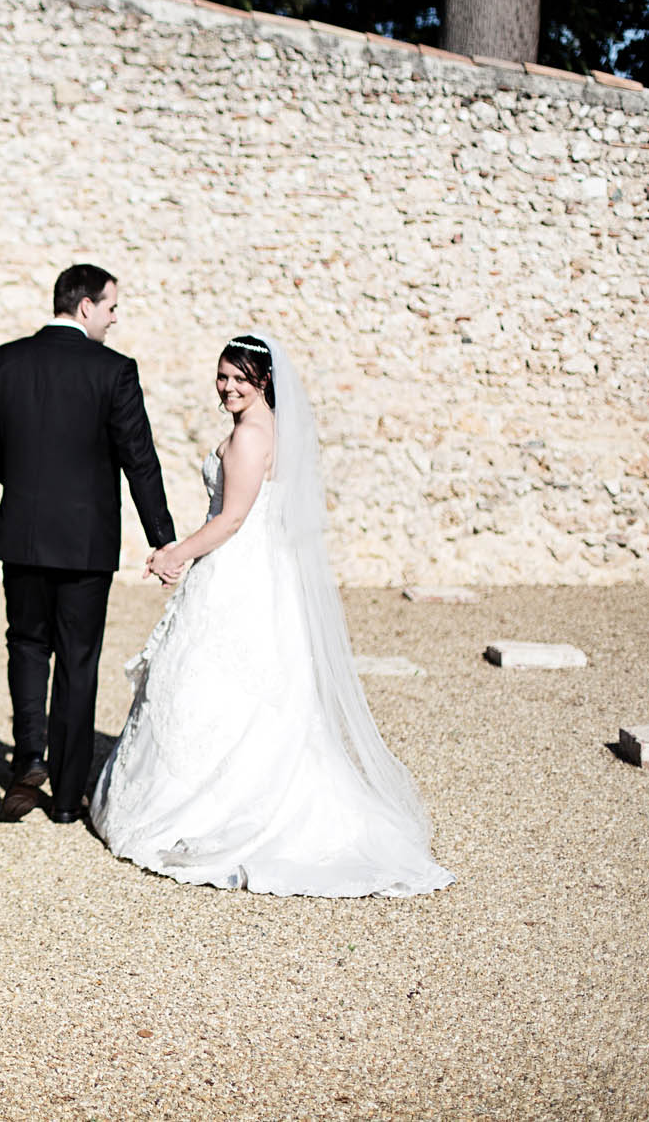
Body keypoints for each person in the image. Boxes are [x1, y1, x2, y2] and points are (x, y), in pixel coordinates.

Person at [90, 334, 454, 896]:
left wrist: (174, 553)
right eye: (223, 376)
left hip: (235, 574)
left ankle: (207, 808)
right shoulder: (277, 432)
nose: (228, 387)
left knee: (208, 681)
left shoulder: (247, 438)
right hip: (265, 576)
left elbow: (232, 520)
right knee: (255, 687)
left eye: (241, 379)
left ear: (264, 381)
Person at [0, 264, 176, 824]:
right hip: (86, 543)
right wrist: (164, 540)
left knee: (28, 646)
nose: (115, 319)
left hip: (23, 534)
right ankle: (65, 799)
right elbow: (140, 461)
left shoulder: (3, 361)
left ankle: (26, 765)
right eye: (112, 308)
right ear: (85, 306)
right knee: (78, 661)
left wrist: (31, 494)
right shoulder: (114, 371)